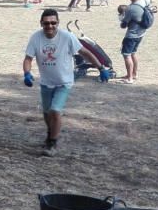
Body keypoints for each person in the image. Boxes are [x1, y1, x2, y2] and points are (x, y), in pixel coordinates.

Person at [23, 9, 110, 156]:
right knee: (46, 113)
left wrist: (101, 67)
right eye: (46, 23)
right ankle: (51, 133)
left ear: (58, 23)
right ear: (41, 23)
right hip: (46, 82)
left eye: (53, 23)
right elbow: (28, 59)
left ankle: (52, 144)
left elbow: (86, 53)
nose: (49, 26)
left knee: (55, 111)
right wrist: (27, 73)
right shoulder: (35, 38)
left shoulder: (67, 37)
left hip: (64, 82)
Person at [117, 0, 148, 84]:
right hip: (141, 33)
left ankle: (129, 78)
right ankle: (134, 74)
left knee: (126, 55)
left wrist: (122, 16)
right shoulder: (144, 2)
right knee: (133, 53)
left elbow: (123, 25)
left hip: (131, 35)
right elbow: (150, 0)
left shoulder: (130, 8)